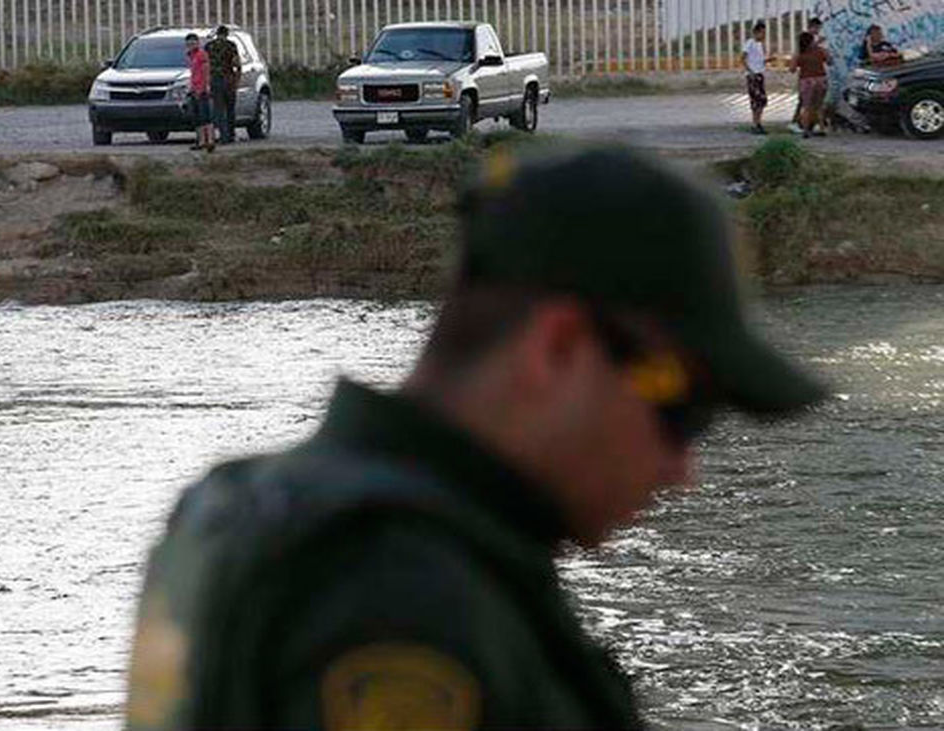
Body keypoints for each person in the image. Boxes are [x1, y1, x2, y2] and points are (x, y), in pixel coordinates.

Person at [124, 144, 828, 729]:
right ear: (557, 348)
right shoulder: (404, 592)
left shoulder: (236, 505)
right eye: (683, 410)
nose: (684, 469)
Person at [790, 31, 831, 138]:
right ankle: (821, 128)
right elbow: (830, 61)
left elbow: (792, 69)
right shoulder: (820, 51)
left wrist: (796, 55)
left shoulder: (800, 53)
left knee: (806, 106)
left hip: (806, 81)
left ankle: (806, 130)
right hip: (821, 79)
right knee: (819, 106)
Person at [206, 25, 242, 144]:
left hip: (215, 79)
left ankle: (223, 135)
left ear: (217, 34)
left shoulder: (209, 46)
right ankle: (231, 134)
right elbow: (237, 63)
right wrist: (237, 79)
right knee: (230, 109)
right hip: (228, 79)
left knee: (219, 109)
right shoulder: (231, 46)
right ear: (227, 34)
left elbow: (206, 64)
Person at [742, 21, 775, 135]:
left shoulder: (760, 45)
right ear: (756, 32)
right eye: (762, 33)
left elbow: (760, 61)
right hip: (753, 75)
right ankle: (755, 123)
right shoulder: (750, 43)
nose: (763, 36)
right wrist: (750, 71)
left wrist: (768, 60)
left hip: (760, 73)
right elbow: (743, 58)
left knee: (761, 100)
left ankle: (758, 122)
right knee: (756, 100)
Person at [185, 32, 214, 152]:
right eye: (188, 44)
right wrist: (191, 88)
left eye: (193, 43)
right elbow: (193, 74)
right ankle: (201, 141)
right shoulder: (191, 56)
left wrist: (204, 87)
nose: (191, 46)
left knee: (205, 116)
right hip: (194, 88)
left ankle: (210, 140)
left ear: (198, 43)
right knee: (197, 117)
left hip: (201, 89)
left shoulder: (201, 55)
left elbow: (205, 72)